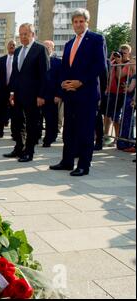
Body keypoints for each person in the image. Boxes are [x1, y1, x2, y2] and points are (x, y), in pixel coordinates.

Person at [50, 8, 107, 176]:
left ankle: (83, 165)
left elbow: (99, 65)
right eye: (75, 21)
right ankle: (67, 161)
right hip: (70, 94)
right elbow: (65, 68)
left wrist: (80, 82)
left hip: (87, 93)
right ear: (72, 24)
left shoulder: (96, 39)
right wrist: (63, 82)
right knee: (69, 130)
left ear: (86, 22)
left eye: (81, 21)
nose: (78, 24)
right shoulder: (69, 44)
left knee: (85, 131)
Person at [4, 23, 49, 162]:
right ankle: (19, 147)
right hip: (17, 94)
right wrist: (11, 92)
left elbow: (45, 74)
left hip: (33, 95)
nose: (22, 37)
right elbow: (15, 74)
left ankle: (29, 151)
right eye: (21, 34)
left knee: (31, 124)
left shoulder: (40, 49)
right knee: (17, 123)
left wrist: (42, 95)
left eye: (26, 34)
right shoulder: (17, 51)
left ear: (32, 34)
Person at [103, 44, 134, 147]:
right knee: (107, 116)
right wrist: (111, 59)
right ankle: (106, 137)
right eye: (120, 52)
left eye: (124, 53)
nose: (121, 54)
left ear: (129, 53)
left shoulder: (128, 64)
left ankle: (117, 138)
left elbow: (119, 76)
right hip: (110, 93)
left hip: (120, 94)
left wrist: (119, 63)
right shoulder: (113, 62)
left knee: (116, 117)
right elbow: (107, 74)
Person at [41, 40, 62, 148]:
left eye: (48, 47)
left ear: (52, 49)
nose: (46, 49)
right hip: (40, 95)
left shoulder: (58, 62)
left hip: (52, 96)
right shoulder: (38, 61)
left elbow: (60, 80)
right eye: (44, 47)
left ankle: (49, 138)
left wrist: (58, 94)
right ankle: (36, 137)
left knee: (51, 119)